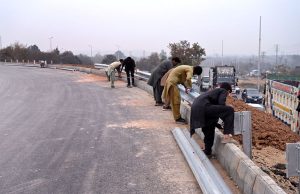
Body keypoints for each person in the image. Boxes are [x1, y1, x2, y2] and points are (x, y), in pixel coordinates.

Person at [190, 82, 235, 157]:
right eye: (229, 93)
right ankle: (226, 136)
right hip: (204, 107)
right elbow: (221, 103)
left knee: (210, 127)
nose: (228, 95)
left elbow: (216, 109)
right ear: (228, 90)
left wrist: (218, 123)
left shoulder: (212, 92)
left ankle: (207, 151)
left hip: (197, 109)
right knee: (229, 110)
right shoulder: (223, 91)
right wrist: (227, 106)